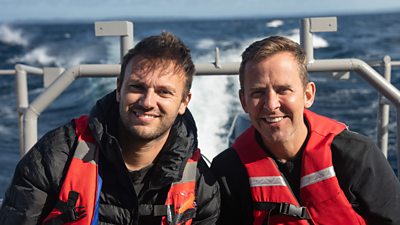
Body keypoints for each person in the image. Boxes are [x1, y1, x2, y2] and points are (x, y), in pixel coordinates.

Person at [0, 32, 220, 225]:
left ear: (184, 102)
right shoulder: (55, 157)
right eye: (137, 87)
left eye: (164, 92)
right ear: (118, 89)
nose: (147, 101)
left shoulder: (200, 183)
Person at [211, 36, 400, 225]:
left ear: (308, 95)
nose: (271, 104)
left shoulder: (356, 157)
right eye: (258, 93)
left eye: (283, 90)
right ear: (244, 101)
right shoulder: (227, 172)